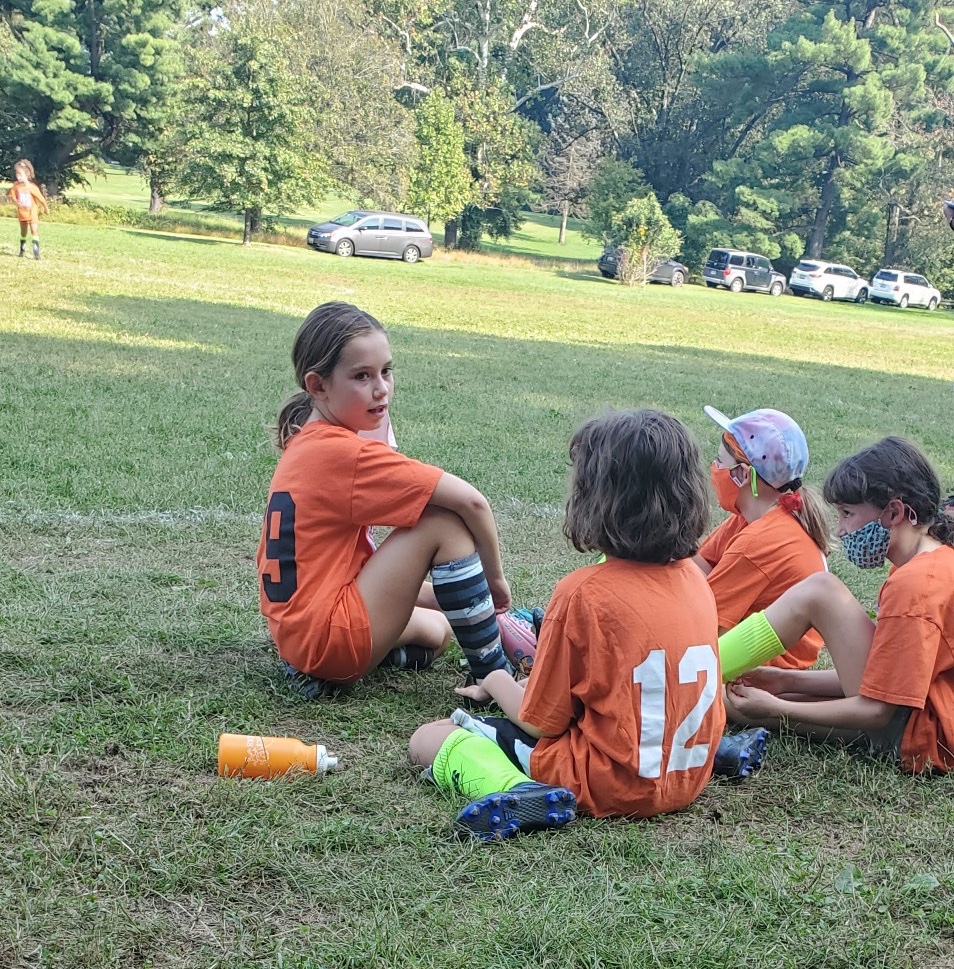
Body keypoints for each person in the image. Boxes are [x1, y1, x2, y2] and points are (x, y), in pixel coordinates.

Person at [409, 409, 728, 841]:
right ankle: (720, 753)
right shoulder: (696, 579)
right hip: (689, 777)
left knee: (429, 739)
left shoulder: (583, 593)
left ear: (594, 499)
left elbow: (541, 723)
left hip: (610, 783)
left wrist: (496, 677)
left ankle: (517, 792)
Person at [256, 301, 516, 696]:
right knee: (443, 522)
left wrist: (470, 596)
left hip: (299, 635)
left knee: (440, 631)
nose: (381, 388)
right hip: (329, 636)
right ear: (317, 385)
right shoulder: (346, 454)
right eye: (362, 376)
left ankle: (322, 672)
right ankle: (493, 675)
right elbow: (473, 502)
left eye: (386, 371)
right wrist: (496, 582)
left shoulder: (307, 439)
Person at [722, 437, 954, 774]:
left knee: (821, 592)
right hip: (909, 713)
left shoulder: (916, 586)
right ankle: (704, 678)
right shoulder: (932, 562)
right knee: (737, 704)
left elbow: (878, 711)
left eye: (847, 514)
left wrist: (776, 708)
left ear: (894, 512)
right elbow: (889, 678)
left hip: (916, 735)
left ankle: (699, 671)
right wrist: (786, 682)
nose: (842, 529)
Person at [695, 406, 830, 672]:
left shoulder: (759, 542)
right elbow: (698, 563)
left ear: (743, 475)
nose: (714, 467)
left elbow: (701, 625)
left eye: (719, 461)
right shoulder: (755, 515)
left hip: (765, 674)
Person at [7, 159, 48, 260]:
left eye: (20, 175)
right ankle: (22, 250)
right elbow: (12, 196)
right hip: (22, 213)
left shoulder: (31, 187)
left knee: (34, 230)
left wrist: (46, 208)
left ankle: (36, 252)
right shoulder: (16, 186)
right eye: (17, 175)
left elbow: (41, 199)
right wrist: (17, 203)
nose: (18, 177)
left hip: (32, 213)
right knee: (23, 232)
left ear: (27, 175)